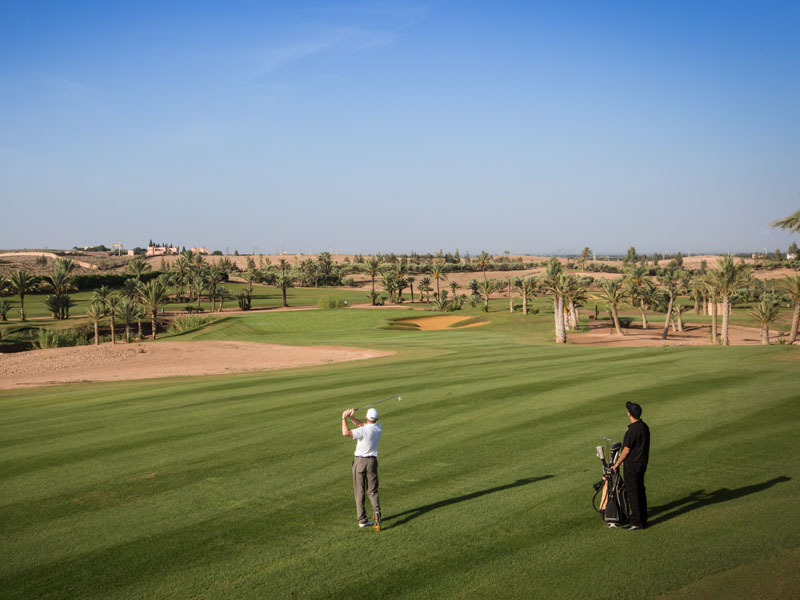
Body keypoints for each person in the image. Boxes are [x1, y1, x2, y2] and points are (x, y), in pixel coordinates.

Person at [611, 401, 650, 530]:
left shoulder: (631, 431)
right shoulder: (644, 427)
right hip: (642, 464)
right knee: (640, 491)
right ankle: (643, 518)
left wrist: (616, 463)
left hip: (632, 466)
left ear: (629, 414)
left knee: (633, 493)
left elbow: (626, 450)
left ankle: (636, 522)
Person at [342, 406, 382, 529]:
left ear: (366, 417)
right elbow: (361, 424)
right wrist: (351, 417)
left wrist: (343, 418)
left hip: (360, 462)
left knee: (359, 491)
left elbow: (346, 433)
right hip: (372, 462)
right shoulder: (378, 428)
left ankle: (362, 520)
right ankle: (376, 512)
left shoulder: (363, 431)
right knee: (372, 490)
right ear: (376, 419)